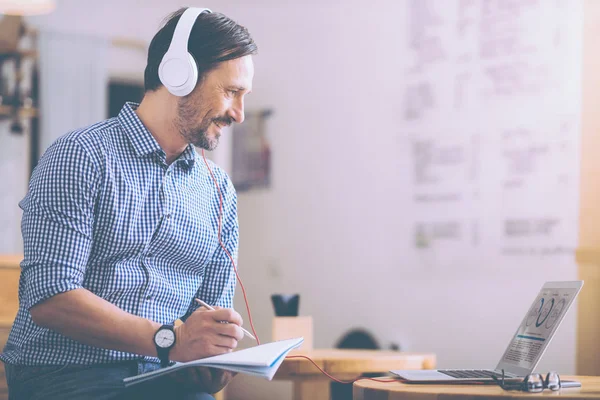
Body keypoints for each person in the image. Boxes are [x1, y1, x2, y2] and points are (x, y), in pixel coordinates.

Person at [0, 6, 257, 400]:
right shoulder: (80, 155)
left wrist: (212, 354)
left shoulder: (218, 191)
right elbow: (50, 295)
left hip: (164, 381)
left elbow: (209, 315)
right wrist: (171, 339)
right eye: (231, 91)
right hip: (63, 375)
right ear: (178, 74)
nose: (238, 114)